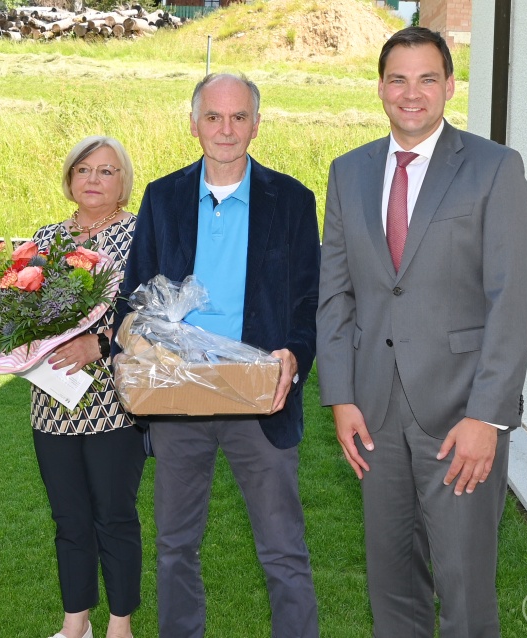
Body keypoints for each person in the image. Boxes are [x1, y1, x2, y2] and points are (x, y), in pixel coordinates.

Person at [316, 26, 527, 637]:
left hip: (459, 417)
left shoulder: (494, 168)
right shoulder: (348, 171)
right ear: (380, 87)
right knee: (391, 587)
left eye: (427, 79)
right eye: (398, 79)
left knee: (465, 592)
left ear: (449, 86)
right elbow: (335, 295)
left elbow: (512, 301)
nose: (411, 94)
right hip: (374, 417)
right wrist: (339, 397)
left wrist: (487, 418)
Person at [114, 73, 320, 638]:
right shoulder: (163, 197)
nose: (225, 130)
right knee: (175, 546)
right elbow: (136, 294)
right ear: (194, 123)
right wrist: (136, 344)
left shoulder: (293, 200)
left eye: (237, 118)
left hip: (262, 399)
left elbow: (310, 303)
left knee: (283, 549)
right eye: (213, 117)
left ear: (256, 123)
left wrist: (293, 360)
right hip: (180, 396)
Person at [29, 136, 146, 638]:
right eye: (84, 170)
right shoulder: (46, 240)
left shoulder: (143, 235)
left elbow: (152, 313)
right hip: (52, 398)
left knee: (114, 514)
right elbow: (23, 312)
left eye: (106, 171)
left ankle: (120, 622)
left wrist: (97, 344)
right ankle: (74, 622)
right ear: (69, 179)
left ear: (124, 182)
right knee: (69, 516)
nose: (93, 180)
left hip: (113, 400)